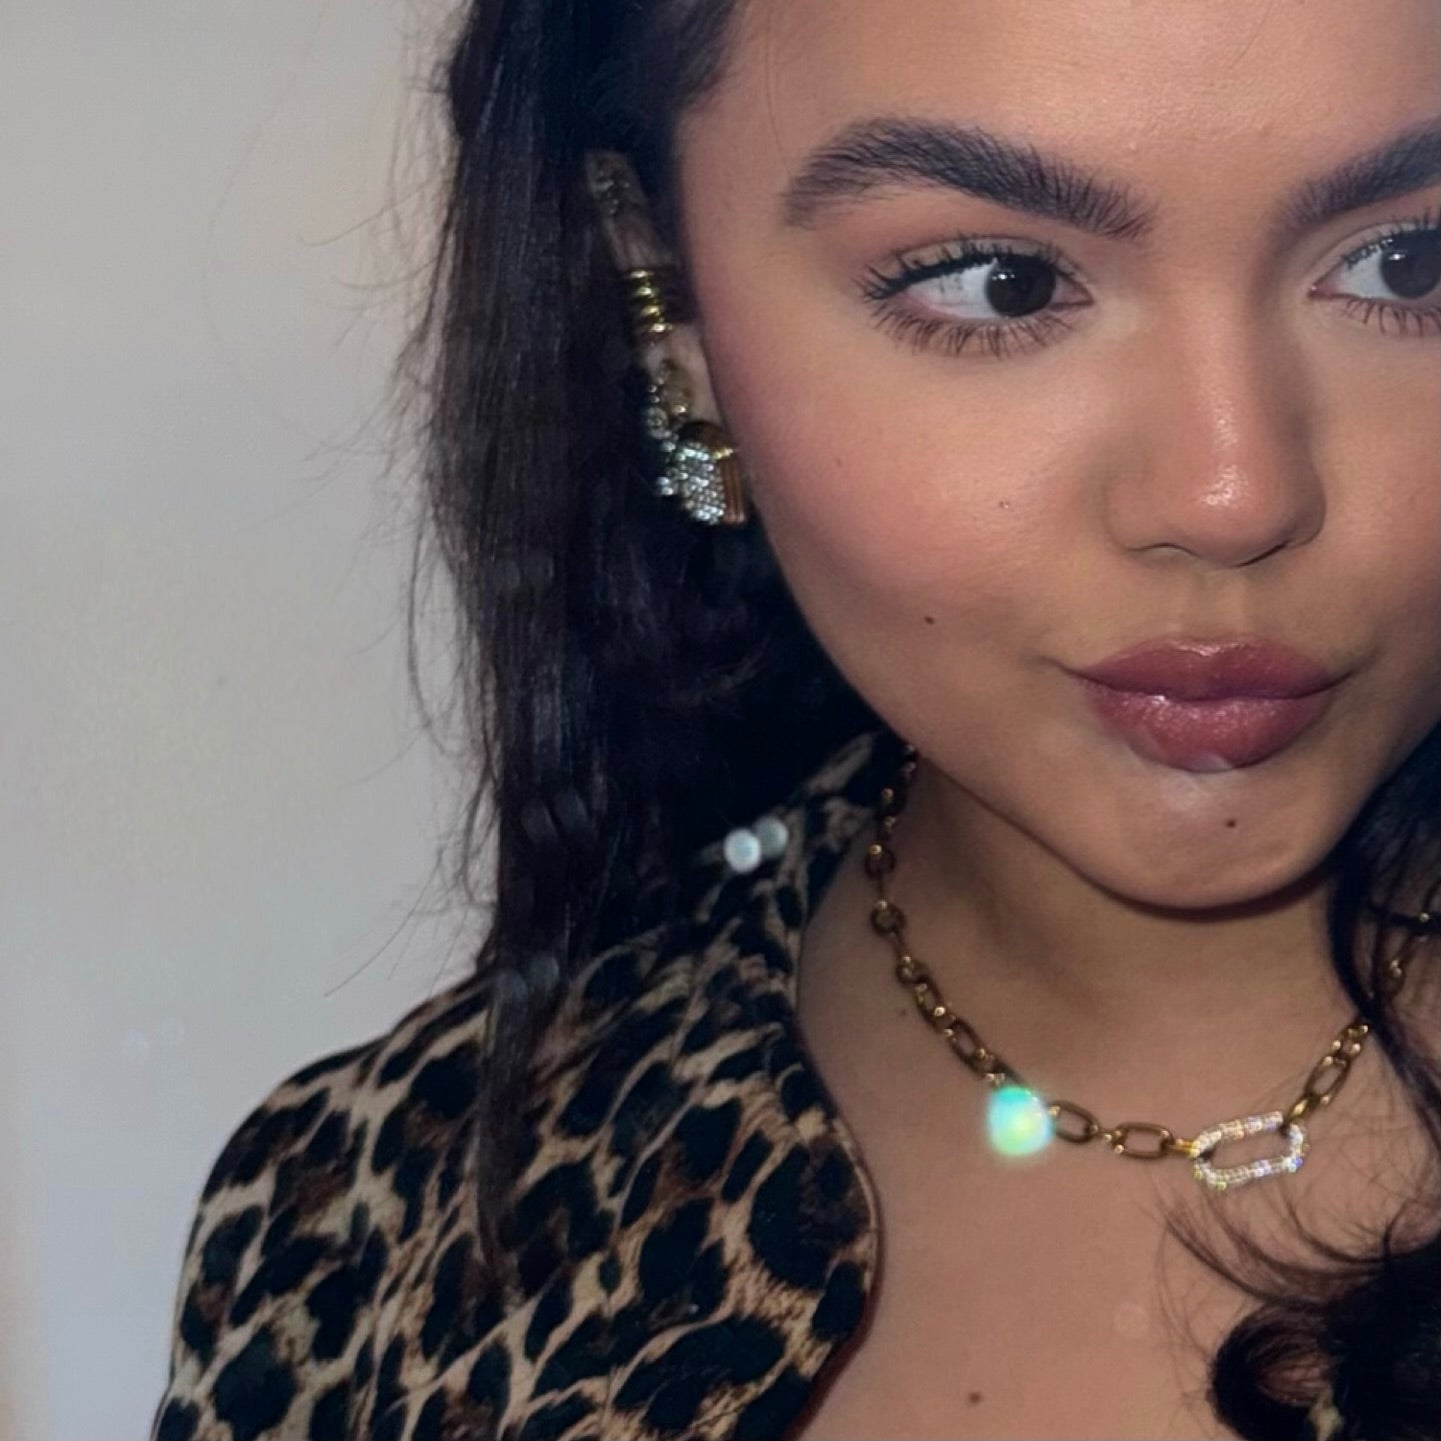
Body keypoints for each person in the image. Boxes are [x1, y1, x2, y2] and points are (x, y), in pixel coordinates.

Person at [150, 2, 1441, 1438]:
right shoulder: (370, 1244)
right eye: (1000, 284)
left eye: (1411, 261)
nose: (1233, 493)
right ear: (666, 301)